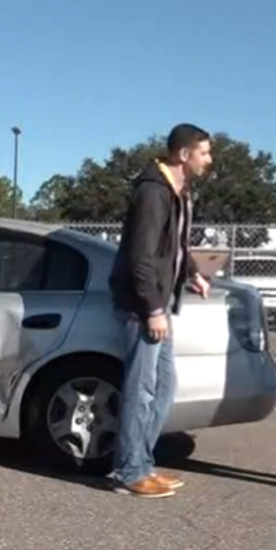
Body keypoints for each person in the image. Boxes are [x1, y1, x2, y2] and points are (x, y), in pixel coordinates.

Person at [108, 123, 212, 498]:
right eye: (204, 153)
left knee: (164, 386)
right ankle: (129, 471)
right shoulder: (154, 192)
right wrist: (152, 308)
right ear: (184, 155)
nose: (208, 160)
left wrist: (193, 274)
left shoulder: (178, 191)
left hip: (159, 302)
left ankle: (142, 462)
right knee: (143, 387)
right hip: (143, 305)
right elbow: (141, 257)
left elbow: (175, 249)